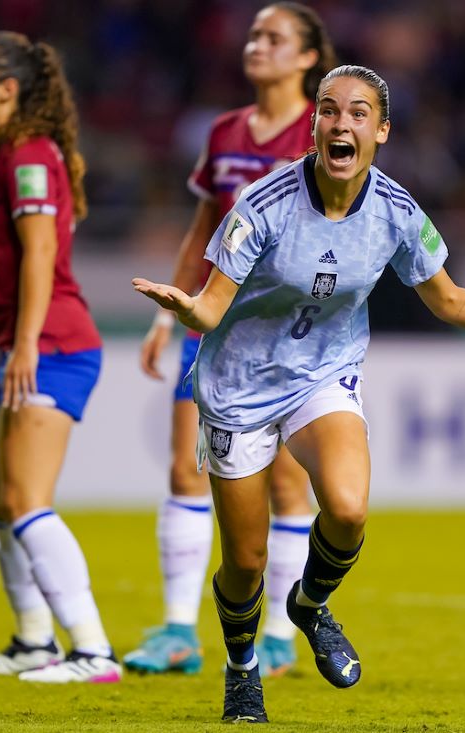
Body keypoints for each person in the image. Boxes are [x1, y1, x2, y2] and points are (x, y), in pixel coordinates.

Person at [134, 64, 465, 723]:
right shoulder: (263, 205)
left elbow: (448, 299)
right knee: (245, 562)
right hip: (239, 387)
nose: (342, 123)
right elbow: (213, 308)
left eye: (358, 113)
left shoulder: (395, 211)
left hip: (322, 376)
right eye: (329, 110)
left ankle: (308, 605)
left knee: (348, 508)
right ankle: (242, 669)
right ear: (315, 126)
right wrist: (186, 310)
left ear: (381, 131)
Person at [126, 2, 336, 679]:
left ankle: (277, 635)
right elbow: (201, 230)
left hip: (288, 333)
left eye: (275, 37)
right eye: (254, 35)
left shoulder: (322, 134)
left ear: (309, 57)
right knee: (186, 468)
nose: (257, 45)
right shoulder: (223, 131)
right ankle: (177, 632)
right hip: (212, 324)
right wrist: (167, 317)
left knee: (285, 481)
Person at [0, 31, 120, 684]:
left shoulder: (28, 156)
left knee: (25, 499)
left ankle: (94, 650)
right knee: (1, 498)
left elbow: (42, 254)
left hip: (54, 346)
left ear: (8, 89)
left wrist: (22, 345)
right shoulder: (8, 156)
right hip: (29, 342)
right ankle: (33, 640)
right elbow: (12, 273)